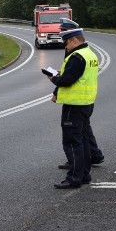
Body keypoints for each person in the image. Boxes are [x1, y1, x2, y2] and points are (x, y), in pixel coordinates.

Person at [45, 20, 100, 189]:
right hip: (86, 103)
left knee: (72, 142)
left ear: (75, 40)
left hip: (73, 105)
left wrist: (53, 78)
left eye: (67, 42)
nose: (65, 46)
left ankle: (74, 178)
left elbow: (67, 80)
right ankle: (84, 174)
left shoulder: (77, 57)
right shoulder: (90, 54)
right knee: (82, 141)